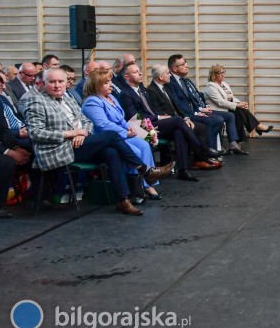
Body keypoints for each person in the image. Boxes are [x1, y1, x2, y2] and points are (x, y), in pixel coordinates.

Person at [23, 68, 173, 216]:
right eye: (52, 82)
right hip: (58, 149)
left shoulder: (68, 98)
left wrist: (84, 132)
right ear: (44, 83)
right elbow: (35, 133)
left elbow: (87, 122)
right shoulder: (36, 101)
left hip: (80, 143)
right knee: (111, 136)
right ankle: (145, 170)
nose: (57, 85)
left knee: (111, 152)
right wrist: (72, 133)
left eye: (60, 81)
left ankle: (123, 200)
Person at [81, 68, 174, 201]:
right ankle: (136, 190)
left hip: (121, 134)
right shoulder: (92, 102)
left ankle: (148, 184)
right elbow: (103, 125)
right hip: (107, 138)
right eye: (106, 82)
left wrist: (129, 127)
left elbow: (121, 120)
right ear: (96, 85)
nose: (111, 85)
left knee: (144, 144)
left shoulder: (111, 97)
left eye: (110, 81)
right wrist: (126, 132)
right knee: (135, 151)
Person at [119, 62, 221, 182]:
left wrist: (162, 117)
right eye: (135, 72)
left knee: (179, 131)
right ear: (127, 77)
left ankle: (183, 170)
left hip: (152, 122)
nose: (140, 73)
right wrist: (159, 117)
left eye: (139, 70)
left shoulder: (141, 89)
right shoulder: (125, 94)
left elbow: (153, 109)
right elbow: (135, 117)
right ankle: (201, 148)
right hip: (141, 128)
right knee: (177, 120)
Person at [166, 54, 247, 154]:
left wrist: (203, 107)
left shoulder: (184, 80)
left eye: (185, 62)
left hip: (197, 110)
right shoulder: (170, 83)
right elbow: (177, 104)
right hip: (186, 114)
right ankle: (208, 151)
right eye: (183, 64)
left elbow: (195, 97)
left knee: (230, 115)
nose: (186, 65)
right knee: (217, 120)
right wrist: (197, 111)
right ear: (174, 68)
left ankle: (216, 148)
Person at [0, 72, 31, 219]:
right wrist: (10, 152)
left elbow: (4, 131)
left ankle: (36, 196)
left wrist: (16, 148)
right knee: (6, 162)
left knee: (30, 151)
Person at [204, 64, 273, 141]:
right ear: (214, 75)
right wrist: (237, 105)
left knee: (239, 111)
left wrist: (240, 103)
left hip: (227, 108)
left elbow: (231, 98)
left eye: (223, 72)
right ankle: (257, 127)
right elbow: (220, 102)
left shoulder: (224, 84)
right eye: (219, 73)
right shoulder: (210, 87)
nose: (222, 75)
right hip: (217, 110)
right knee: (239, 111)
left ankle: (241, 138)